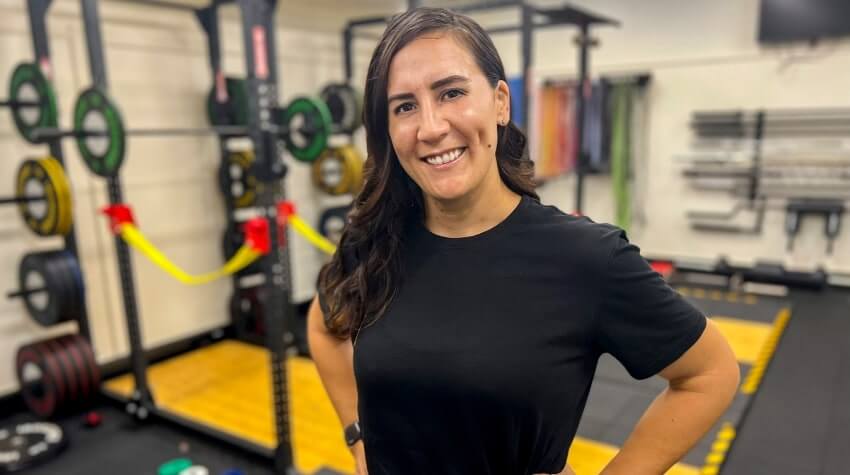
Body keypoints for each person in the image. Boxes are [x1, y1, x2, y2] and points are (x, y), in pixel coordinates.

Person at [307, 7, 740, 475]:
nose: (430, 127)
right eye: (404, 106)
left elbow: (711, 372)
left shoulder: (587, 258)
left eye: (451, 92)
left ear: (499, 103)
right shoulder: (376, 238)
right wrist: (357, 439)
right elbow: (322, 324)